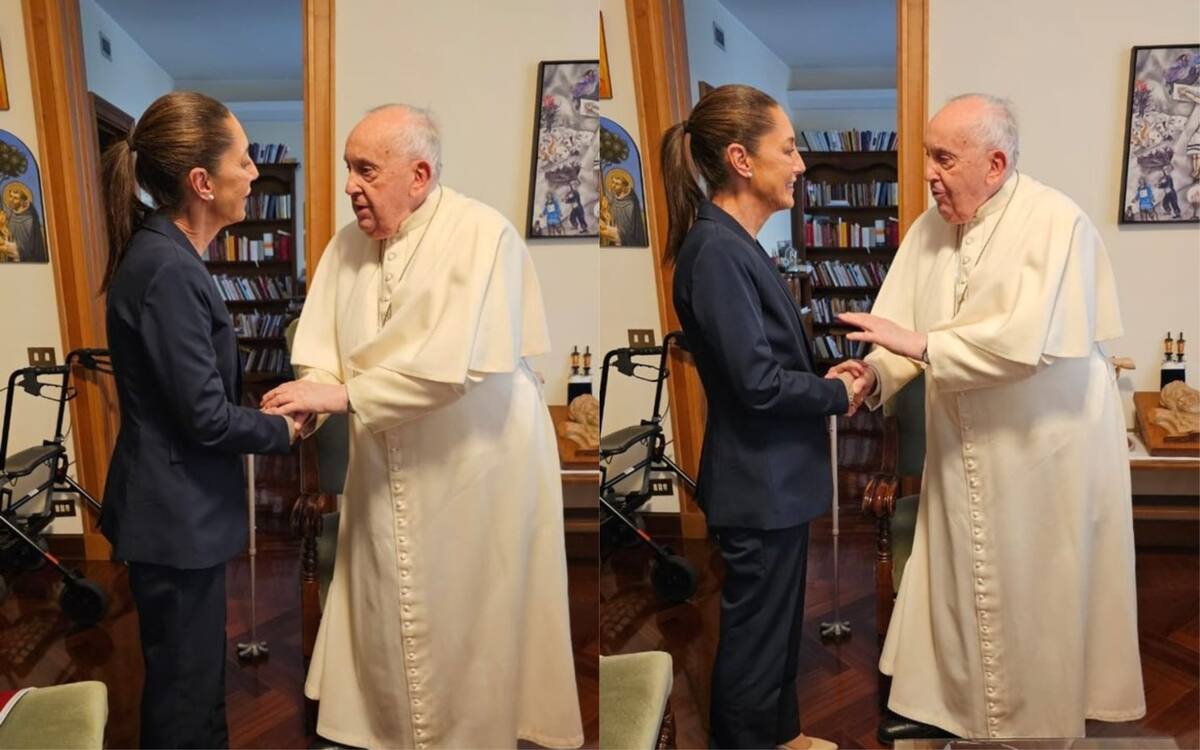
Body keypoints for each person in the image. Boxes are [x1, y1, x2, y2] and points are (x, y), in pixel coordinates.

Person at [260, 104, 582, 749]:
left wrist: (342, 392)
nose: (350, 184)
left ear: (420, 173)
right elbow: (322, 343)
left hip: (476, 460)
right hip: (386, 456)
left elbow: (452, 371)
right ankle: (390, 729)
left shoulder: (480, 234)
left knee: (470, 610)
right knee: (387, 602)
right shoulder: (348, 241)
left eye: (365, 169)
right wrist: (313, 392)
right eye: (348, 168)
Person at [832, 93, 1145, 742]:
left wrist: (919, 347)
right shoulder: (929, 229)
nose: (929, 174)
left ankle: (1040, 729)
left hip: (1044, 455)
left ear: (995, 163)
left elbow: (1022, 340)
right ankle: (973, 723)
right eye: (927, 156)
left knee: (1039, 602)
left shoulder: (1056, 223)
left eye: (944, 158)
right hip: (965, 454)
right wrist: (870, 373)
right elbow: (902, 327)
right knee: (963, 598)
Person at [99, 91, 305, 748]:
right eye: (242, 160)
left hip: (178, 510)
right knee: (184, 697)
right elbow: (207, 420)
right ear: (201, 182)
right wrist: (285, 429)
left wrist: (258, 411)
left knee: (195, 679)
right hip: (172, 517)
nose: (252, 173)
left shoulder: (170, 255)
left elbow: (195, 401)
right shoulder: (164, 267)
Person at [661, 83, 857, 750]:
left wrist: (823, 376)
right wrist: (836, 395)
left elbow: (768, 366)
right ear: (742, 160)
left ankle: (784, 737)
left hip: (776, 481)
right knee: (752, 644)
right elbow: (757, 385)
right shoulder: (714, 251)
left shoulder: (740, 243)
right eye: (790, 147)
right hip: (757, 485)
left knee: (776, 630)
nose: (801, 164)